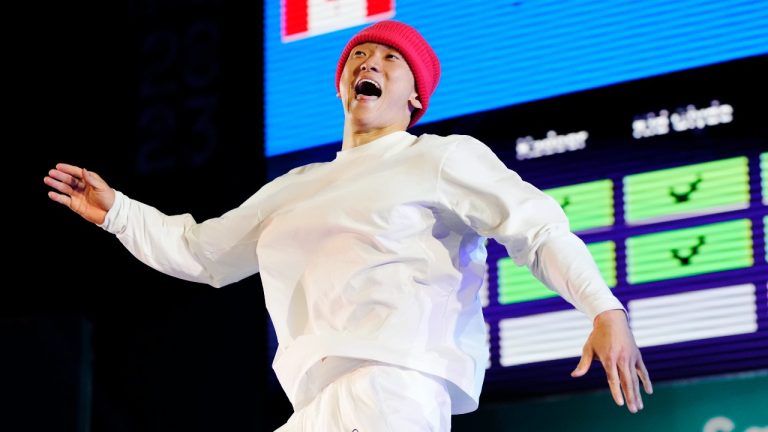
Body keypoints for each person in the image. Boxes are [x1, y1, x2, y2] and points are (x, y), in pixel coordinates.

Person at [45, 20, 652, 431]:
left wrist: (604, 309)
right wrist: (117, 212)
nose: (370, 61)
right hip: (313, 401)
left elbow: (536, 229)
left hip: (395, 387)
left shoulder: (438, 156)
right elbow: (202, 252)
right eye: (359, 54)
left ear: (415, 98)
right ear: (342, 83)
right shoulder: (297, 186)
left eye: (391, 59)